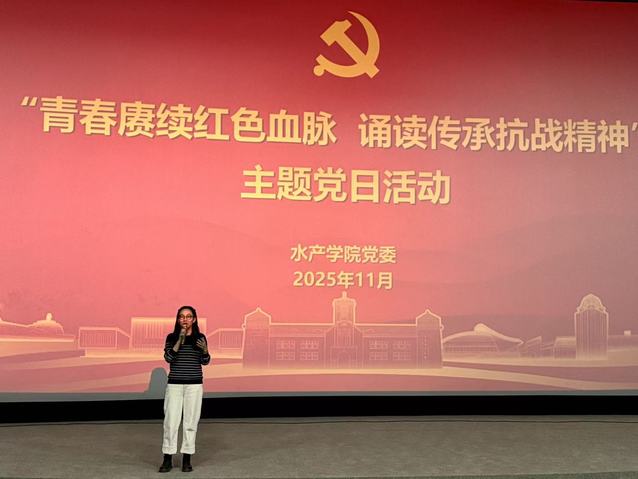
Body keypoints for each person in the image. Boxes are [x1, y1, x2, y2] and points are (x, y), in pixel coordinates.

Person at [159, 306, 210, 473]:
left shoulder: (200, 338)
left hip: (194, 385)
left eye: (188, 316)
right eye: (182, 316)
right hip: (174, 384)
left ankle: (187, 458)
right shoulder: (171, 337)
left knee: (190, 422)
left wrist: (205, 351)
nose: (185, 319)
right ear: (178, 319)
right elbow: (168, 358)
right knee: (171, 422)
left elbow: (205, 361)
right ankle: (167, 458)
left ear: (194, 319)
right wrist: (179, 341)